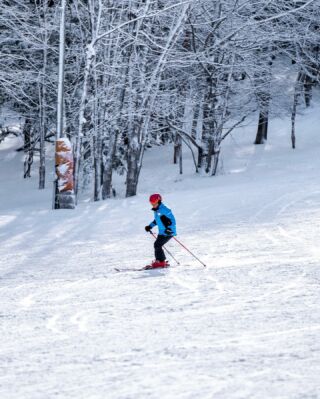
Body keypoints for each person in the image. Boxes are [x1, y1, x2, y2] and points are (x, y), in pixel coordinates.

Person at [145, 193, 177, 268]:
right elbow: (157, 220)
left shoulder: (165, 209)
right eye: (151, 203)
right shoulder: (157, 210)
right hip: (162, 232)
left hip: (168, 232)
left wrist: (170, 229)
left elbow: (173, 220)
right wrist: (150, 226)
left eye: (154, 203)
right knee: (157, 245)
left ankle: (161, 261)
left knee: (157, 245)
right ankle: (159, 260)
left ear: (159, 201)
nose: (152, 205)